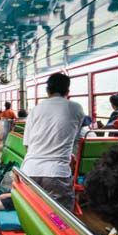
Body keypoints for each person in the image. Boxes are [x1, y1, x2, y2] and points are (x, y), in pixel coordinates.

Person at [22, 73, 84, 211]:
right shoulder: (77, 108)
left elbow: (27, 145)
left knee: (33, 212)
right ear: (67, 92)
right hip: (58, 172)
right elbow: (73, 137)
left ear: (47, 91)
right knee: (61, 218)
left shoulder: (35, 110)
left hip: (30, 169)